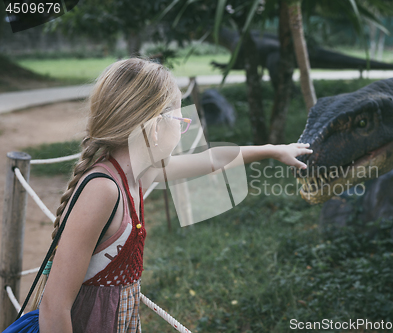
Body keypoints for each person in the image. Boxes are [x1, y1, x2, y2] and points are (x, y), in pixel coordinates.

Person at [5, 58, 312, 333]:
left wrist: (273, 150)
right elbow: (54, 307)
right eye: (181, 122)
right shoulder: (103, 189)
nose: (183, 131)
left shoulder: (141, 173)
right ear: (153, 129)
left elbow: (213, 160)